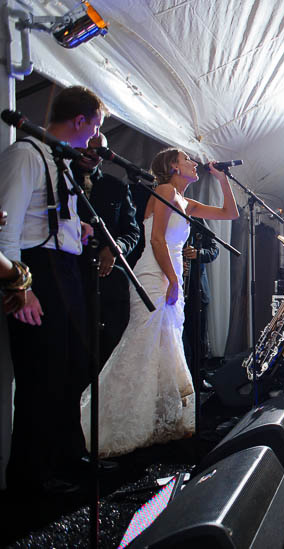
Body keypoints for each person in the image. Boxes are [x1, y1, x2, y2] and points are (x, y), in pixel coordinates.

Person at [79, 148, 239, 457]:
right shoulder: (164, 191)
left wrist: (222, 179)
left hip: (170, 275)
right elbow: (156, 240)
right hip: (155, 276)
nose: (193, 163)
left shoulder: (185, 201)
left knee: (164, 351)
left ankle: (151, 423)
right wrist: (174, 279)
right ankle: (108, 424)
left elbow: (228, 213)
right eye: (187, 159)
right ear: (172, 166)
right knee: (141, 348)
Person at [0, 86, 103, 494]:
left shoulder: (60, 160)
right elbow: (7, 225)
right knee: (39, 376)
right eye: (95, 126)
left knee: (73, 365)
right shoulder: (26, 154)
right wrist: (19, 287)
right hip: (35, 269)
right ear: (80, 121)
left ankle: (65, 455)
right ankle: (31, 476)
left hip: (65, 267)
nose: (95, 135)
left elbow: (47, 216)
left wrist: (77, 227)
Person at [73, 133, 141, 363]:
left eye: (98, 150)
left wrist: (115, 248)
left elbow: (132, 232)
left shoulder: (116, 187)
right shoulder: (59, 179)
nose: (91, 153)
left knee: (108, 348)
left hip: (108, 281)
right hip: (71, 275)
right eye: (87, 147)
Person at [182, 217, 219, 374]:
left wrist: (198, 253)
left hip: (197, 290)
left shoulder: (196, 219)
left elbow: (214, 249)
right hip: (172, 289)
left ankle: (199, 377)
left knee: (198, 338)